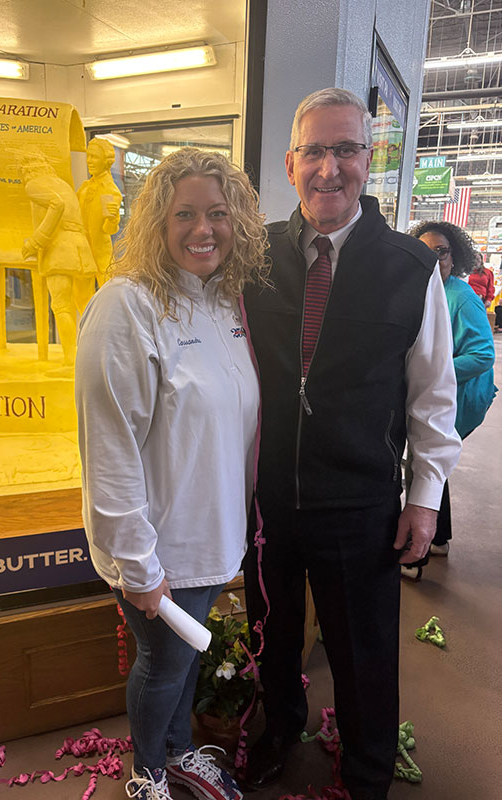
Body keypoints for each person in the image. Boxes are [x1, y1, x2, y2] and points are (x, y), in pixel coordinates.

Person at [240, 88, 462, 800]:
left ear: (370, 159)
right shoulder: (256, 257)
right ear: (289, 162)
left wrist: (424, 502)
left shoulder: (407, 268)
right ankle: (278, 733)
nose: (329, 169)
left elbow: (434, 396)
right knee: (272, 637)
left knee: (364, 652)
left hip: (360, 498)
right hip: (269, 495)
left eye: (346, 150)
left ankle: (366, 771)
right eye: (315, 151)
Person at [75, 147, 267, 800]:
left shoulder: (222, 307)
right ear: (156, 221)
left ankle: (180, 751)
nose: (202, 229)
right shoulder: (124, 307)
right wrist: (137, 561)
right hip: (157, 542)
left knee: (183, 662)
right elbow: (109, 447)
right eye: (184, 213)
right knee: (163, 666)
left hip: (212, 536)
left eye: (218, 213)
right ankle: (148, 774)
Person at [401, 221, 497, 577]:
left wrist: (433, 372)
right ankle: (439, 540)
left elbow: (484, 354)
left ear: (454, 256)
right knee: (434, 470)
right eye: (425, 251)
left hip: (462, 400)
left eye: (441, 251)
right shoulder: (428, 289)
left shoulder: (461, 296)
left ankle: (415, 558)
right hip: (448, 395)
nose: (434, 258)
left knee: (423, 462)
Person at [20, 148, 97, 369]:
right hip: (80, 248)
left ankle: (70, 359)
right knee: (87, 306)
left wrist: (36, 241)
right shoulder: (61, 184)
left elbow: (56, 206)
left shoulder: (34, 184)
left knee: (62, 306)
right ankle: (93, 353)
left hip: (60, 249)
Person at [77, 137, 123, 286]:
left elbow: (108, 230)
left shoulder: (110, 191)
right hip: (82, 249)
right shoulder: (84, 187)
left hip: (100, 252)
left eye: (94, 157)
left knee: (107, 289)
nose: (89, 161)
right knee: (80, 291)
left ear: (106, 161)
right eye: (88, 156)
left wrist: (113, 218)